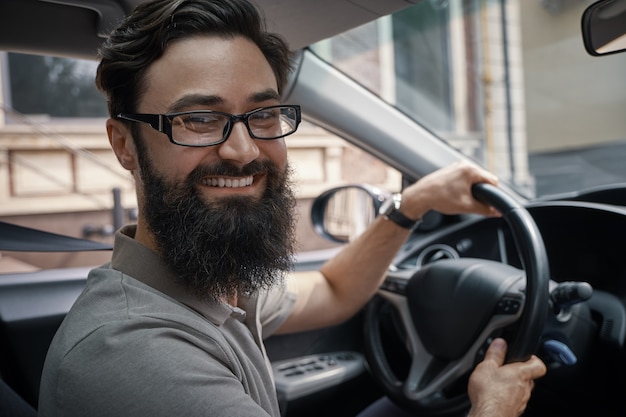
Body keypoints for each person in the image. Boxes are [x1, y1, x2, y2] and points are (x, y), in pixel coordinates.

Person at [37, 0, 546, 416]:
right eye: (198, 119)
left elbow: (332, 289)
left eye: (263, 114)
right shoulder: (133, 358)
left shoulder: (208, 277)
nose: (243, 150)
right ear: (124, 144)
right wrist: (491, 410)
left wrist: (410, 205)